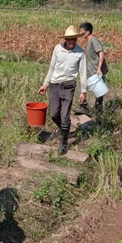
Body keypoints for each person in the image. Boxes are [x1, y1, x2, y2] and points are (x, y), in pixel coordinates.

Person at [38, 25, 87, 155]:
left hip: (69, 85)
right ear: (65, 39)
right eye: (69, 39)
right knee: (54, 114)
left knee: (64, 115)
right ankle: (64, 130)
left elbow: (83, 73)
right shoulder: (57, 49)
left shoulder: (80, 53)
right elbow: (52, 67)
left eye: (74, 39)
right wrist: (45, 84)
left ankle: (64, 142)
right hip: (55, 84)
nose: (72, 42)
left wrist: (83, 91)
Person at [80, 22, 108, 112]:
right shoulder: (89, 42)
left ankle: (98, 108)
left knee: (99, 90)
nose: (80, 33)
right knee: (82, 86)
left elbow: (101, 54)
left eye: (82, 31)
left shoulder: (94, 41)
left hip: (96, 70)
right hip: (91, 69)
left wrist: (99, 68)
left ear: (88, 32)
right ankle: (84, 105)